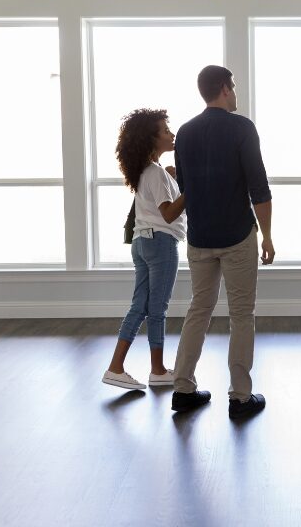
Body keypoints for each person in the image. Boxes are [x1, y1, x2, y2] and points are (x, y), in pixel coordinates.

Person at [170, 65, 274, 419]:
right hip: (236, 236)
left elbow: (186, 187)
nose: (235, 93)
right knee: (242, 313)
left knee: (199, 309)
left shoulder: (183, 133)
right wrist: (269, 235)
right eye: (234, 86)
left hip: (199, 238)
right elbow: (258, 187)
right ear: (225, 89)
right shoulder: (242, 128)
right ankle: (240, 397)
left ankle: (182, 388)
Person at [102, 108, 187, 391]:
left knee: (140, 306)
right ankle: (158, 370)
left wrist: (174, 179)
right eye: (165, 131)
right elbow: (168, 214)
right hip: (160, 243)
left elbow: (156, 205)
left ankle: (117, 367)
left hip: (142, 242)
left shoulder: (148, 172)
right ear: (152, 139)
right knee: (157, 308)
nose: (171, 134)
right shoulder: (156, 173)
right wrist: (191, 188)